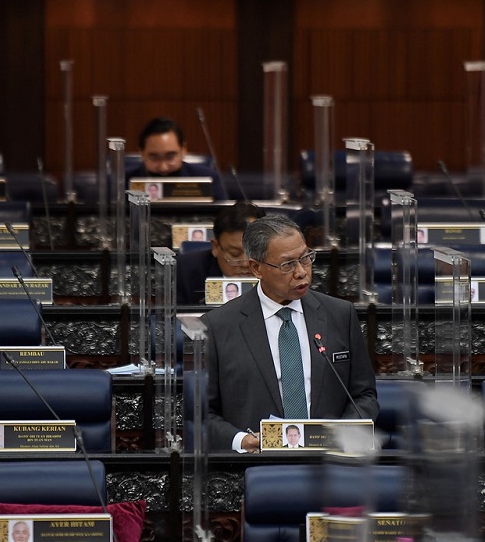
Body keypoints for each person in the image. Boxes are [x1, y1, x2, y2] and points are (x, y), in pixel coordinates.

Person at [203, 214, 378, 453]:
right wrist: (241, 440)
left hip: (330, 463)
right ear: (256, 267)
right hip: (255, 465)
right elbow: (203, 412)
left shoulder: (340, 314)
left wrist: (343, 435)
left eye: (305, 258)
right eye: (287, 265)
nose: (301, 272)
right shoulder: (218, 326)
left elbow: (364, 395)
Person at [176, 201, 266, 305]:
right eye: (234, 254)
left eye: (254, 252)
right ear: (216, 247)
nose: (246, 264)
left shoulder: (281, 270)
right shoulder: (184, 272)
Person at [128, 117, 227, 200]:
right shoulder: (124, 182)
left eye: (170, 156)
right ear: (141, 153)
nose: (163, 167)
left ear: (183, 149)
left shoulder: (207, 178)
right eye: (154, 157)